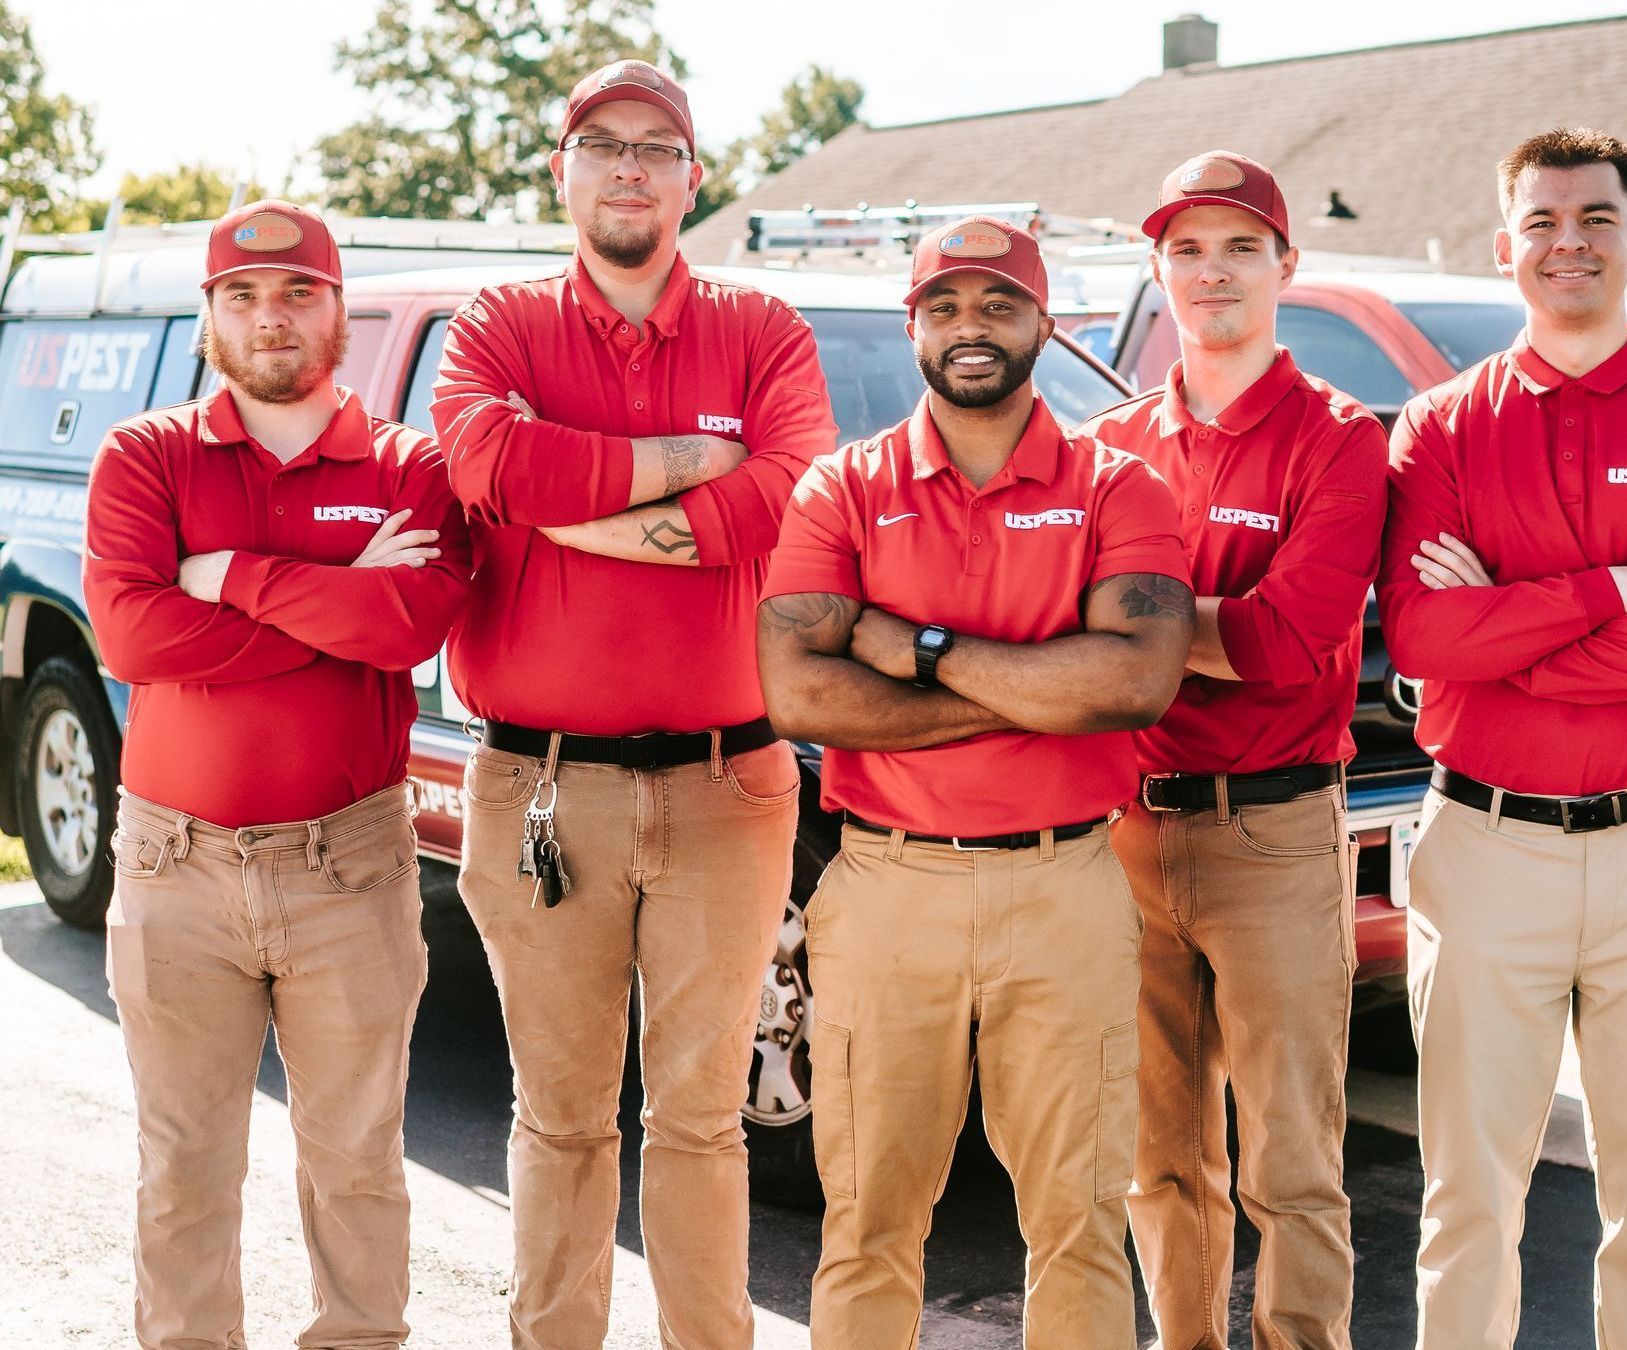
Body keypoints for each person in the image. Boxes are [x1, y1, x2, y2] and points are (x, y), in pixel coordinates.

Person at [429, 57, 837, 1350]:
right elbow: (483, 459)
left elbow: (784, 496)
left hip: (731, 788)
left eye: (655, 148)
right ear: (564, 168)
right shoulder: (497, 323)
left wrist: (568, 509)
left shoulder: (764, 331)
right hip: (541, 786)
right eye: (601, 143)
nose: (627, 166)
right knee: (558, 1114)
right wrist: (679, 477)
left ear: (692, 177)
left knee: (702, 1115)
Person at [756, 216, 1193, 1347]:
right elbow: (800, 695)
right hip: (888, 888)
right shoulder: (841, 490)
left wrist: (925, 651)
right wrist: (1035, 691)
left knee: (1080, 1220)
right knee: (868, 1221)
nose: (970, 329)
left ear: (1044, 322)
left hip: (1068, 889)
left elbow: (1135, 682)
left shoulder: (1118, 486)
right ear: (915, 326)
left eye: (998, 305)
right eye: (944, 307)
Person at [1376, 127, 1627, 1350]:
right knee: (1468, 1199)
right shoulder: (1441, 427)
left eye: (1595, 219)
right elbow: (1427, 642)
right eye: (1543, 222)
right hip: (1486, 844)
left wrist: (1508, 633)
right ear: (1507, 249)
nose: (1569, 243)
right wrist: (1611, 590)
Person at [83, 198, 471, 1350]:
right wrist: (336, 596)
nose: (272, 317)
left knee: (357, 1163)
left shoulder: (410, 466)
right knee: (185, 1166)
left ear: (339, 305)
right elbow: (134, 640)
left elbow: (407, 629)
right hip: (175, 862)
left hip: (345, 862)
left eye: (299, 291)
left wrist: (227, 574)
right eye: (242, 296)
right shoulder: (145, 456)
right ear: (210, 313)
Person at [1081, 150, 1388, 1350]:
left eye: (1239, 247)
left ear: (1285, 266)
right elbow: (1068, 618)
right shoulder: (1109, 443)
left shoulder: (1338, 439)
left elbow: (1291, 640)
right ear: (1159, 270)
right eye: (1187, 249)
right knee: (1158, 1157)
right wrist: (1179, 633)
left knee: (1292, 1160)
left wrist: (1133, 631)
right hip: (1127, 828)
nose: (1211, 273)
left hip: (1272, 830)